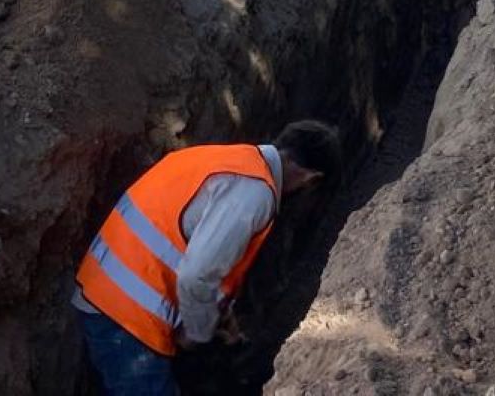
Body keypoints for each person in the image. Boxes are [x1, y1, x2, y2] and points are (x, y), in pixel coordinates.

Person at [72, 120, 344, 396]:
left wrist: (219, 315)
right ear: (311, 179)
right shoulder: (254, 192)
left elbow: (190, 247)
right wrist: (198, 332)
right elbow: (197, 275)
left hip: (105, 291)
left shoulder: (229, 160)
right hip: (127, 316)